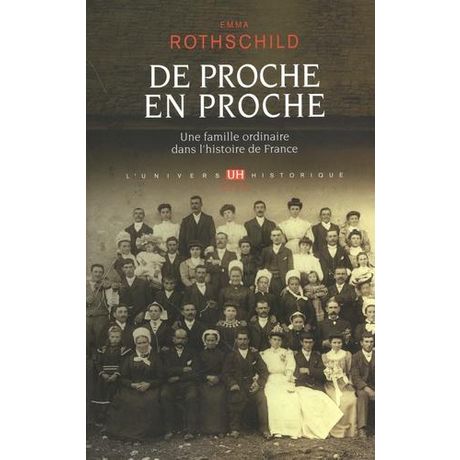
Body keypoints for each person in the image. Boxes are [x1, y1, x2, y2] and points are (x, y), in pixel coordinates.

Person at [106, 327, 163, 440]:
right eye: (139, 343)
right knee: (126, 400)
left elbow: (161, 378)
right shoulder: (130, 358)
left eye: (144, 342)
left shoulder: (155, 358)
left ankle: (144, 433)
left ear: (149, 342)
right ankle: (126, 432)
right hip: (132, 388)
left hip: (150, 388)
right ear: (135, 344)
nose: (142, 345)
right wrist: (132, 385)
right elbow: (123, 378)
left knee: (147, 402)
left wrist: (149, 384)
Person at [294, 332, 343, 439]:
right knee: (307, 402)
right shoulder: (295, 356)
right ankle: (315, 430)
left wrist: (309, 370)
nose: (308, 345)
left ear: (313, 343)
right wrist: (304, 372)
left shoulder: (317, 356)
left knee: (323, 400)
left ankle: (324, 428)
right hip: (301, 386)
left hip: (316, 385)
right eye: (306, 342)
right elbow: (295, 373)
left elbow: (323, 373)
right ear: (301, 342)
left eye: (310, 342)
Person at [222, 330, 271, 439]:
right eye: (240, 339)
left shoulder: (255, 354)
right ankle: (235, 428)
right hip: (238, 384)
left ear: (249, 340)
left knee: (261, 398)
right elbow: (226, 373)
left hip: (251, 385)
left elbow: (264, 371)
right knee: (235, 397)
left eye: (245, 339)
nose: (243, 342)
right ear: (236, 340)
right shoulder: (231, 355)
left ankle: (264, 429)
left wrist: (259, 384)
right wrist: (232, 383)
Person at [260, 330, 302, 439]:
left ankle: (291, 430)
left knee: (290, 399)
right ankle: (277, 429)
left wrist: (288, 378)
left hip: (283, 378)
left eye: (279, 340)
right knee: (273, 399)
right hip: (270, 379)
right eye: (274, 339)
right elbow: (262, 369)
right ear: (270, 340)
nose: (276, 342)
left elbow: (290, 367)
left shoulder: (287, 353)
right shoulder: (264, 354)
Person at [161, 328, 199, 441]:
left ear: (186, 340)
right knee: (164, 395)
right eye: (178, 338)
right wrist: (182, 369)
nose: (180, 341)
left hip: (188, 383)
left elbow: (195, 372)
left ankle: (190, 430)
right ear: (173, 339)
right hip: (170, 384)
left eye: (183, 338)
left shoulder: (193, 352)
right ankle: (169, 429)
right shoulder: (166, 353)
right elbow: (165, 370)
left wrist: (178, 377)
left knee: (192, 397)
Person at [91, 326, 131, 422]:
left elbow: (124, 364)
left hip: (117, 377)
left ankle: (115, 419)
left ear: (121, 337)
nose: (115, 339)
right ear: (109, 337)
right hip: (104, 377)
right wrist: (102, 373)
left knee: (114, 396)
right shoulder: (103, 349)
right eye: (112, 337)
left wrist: (116, 374)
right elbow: (98, 363)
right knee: (102, 395)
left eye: (117, 337)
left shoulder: (123, 350)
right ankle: (102, 419)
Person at [322, 333, 358, 438]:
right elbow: (325, 372)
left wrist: (349, 382)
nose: (337, 345)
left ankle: (349, 429)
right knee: (334, 400)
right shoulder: (325, 356)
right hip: (331, 384)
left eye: (339, 343)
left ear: (342, 343)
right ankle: (334, 429)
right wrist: (329, 374)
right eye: (334, 342)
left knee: (351, 399)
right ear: (330, 343)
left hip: (344, 382)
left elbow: (350, 370)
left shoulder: (346, 354)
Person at [197, 330, 228, 436]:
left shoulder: (222, 354)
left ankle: (220, 429)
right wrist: (207, 377)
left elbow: (225, 370)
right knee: (206, 398)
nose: (210, 342)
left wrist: (218, 378)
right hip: (205, 381)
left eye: (212, 340)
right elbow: (197, 371)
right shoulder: (200, 354)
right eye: (208, 340)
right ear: (205, 341)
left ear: (216, 341)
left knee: (219, 398)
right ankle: (207, 429)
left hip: (219, 381)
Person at [86, 263, 119, 354]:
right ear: (91, 272)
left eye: (100, 272)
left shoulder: (106, 286)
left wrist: (113, 290)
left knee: (100, 342)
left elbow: (112, 303)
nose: (98, 274)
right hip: (86, 317)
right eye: (95, 272)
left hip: (101, 318)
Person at [351, 333, 375, 438]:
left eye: (371, 342)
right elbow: (355, 377)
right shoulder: (356, 357)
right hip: (362, 386)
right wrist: (366, 388)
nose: (369, 344)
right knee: (363, 395)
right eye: (366, 342)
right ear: (361, 343)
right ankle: (362, 428)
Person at [260, 227, 294, 297]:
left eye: (278, 235)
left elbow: (290, 269)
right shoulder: (265, 251)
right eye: (274, 235)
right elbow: (261, 267)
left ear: (282, 236)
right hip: (268, 281)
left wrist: (287, 286)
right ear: (271, 237)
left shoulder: (287, 251)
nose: (276, 237)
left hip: (282, 282)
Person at [118, 259, 154, 323]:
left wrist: (143, 313)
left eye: (130, 267)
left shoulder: (143, 283)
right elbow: (118, 302)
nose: (129, 270)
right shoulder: (120, 284)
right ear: (122, 269)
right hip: (125, 317)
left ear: (134, 267)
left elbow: (149, 301)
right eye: (126, 267)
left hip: (141, 317)